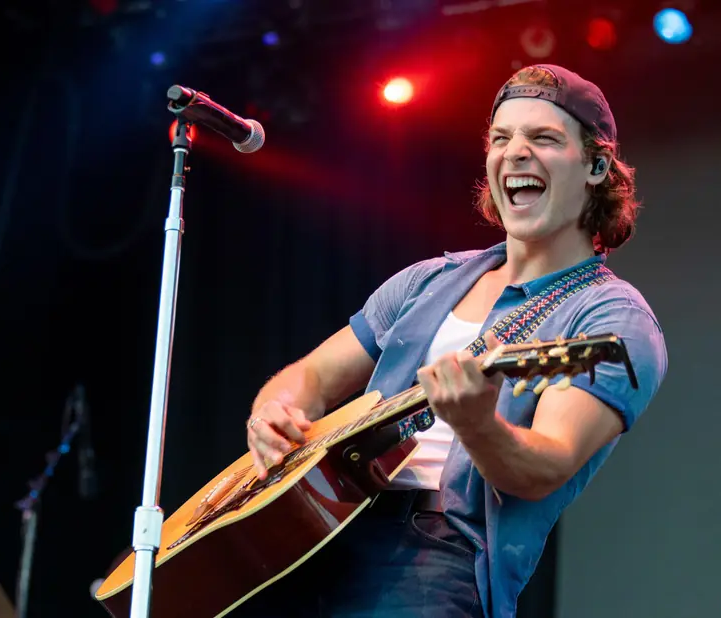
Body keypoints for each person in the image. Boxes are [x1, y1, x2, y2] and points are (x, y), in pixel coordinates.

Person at [234, 64, 668, 618]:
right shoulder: (429, 280)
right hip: (315, 530)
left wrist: (476, 423)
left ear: (597, 165)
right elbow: (312, 377)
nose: (514, 153)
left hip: (432, 555)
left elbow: (544, 468)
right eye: (501, 138)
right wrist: (274, 410)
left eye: (543, 138)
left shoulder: (610, 317)